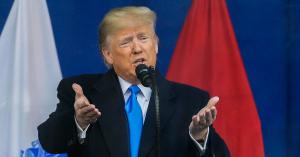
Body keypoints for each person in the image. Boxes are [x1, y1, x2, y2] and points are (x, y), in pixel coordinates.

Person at [38, 6, 230, 157]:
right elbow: (50, 142)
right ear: (108, 54)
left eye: (143, 38)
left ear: (155, 46)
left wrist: (199, 136)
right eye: (126, 41)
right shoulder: (82, 93)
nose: (137, 48)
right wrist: (78, 121)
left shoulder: (191, 101)